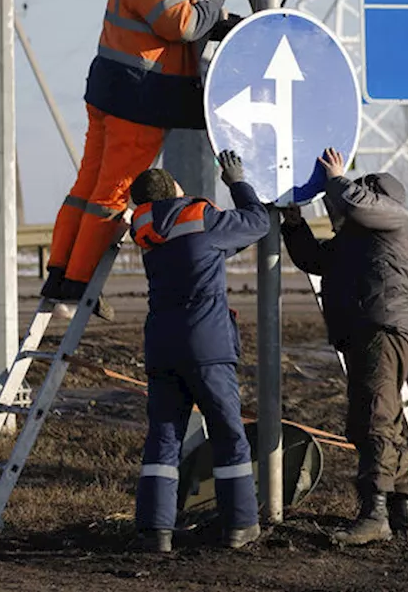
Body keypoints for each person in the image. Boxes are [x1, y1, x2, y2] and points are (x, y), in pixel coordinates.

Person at [41, 0, 239, 316]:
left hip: (113, 97)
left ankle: (59, 274)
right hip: (138, 104)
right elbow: (181, 26)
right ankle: (79, 284)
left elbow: (181, 24)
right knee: (110, 197)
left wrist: (224, 24)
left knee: (88, 188)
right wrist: (215, 10)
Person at [279, 147, 408, 545]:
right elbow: (313, 259)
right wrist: (293, 222)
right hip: (365, 329)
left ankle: (374, 512)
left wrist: (337, 177)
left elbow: (354, 202)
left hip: (382, 327)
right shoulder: (356, 238)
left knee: (376, 418)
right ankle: (401, 508)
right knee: (379, 421)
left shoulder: (393, 216)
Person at [128, 149, 269, 553]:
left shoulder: (145, 229)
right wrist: (238, 182)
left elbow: (201, 251)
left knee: (164, 438)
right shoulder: (201, 218)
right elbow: (257, 222)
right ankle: (241, 525)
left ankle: (155, 532)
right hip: (206, 345)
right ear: (174, 188)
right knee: (228, 434)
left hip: (161, 345)